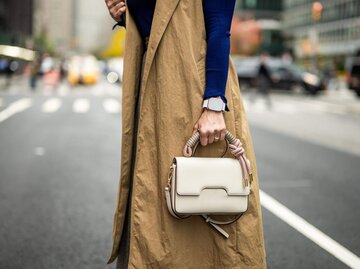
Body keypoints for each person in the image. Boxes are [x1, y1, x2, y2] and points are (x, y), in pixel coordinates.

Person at [104, 0, 266, 268]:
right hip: (154, 86)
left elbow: (219, 28)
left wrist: (214, 105)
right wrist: (124, 14)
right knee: (156, 203)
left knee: (203, 210)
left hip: (195, 88)